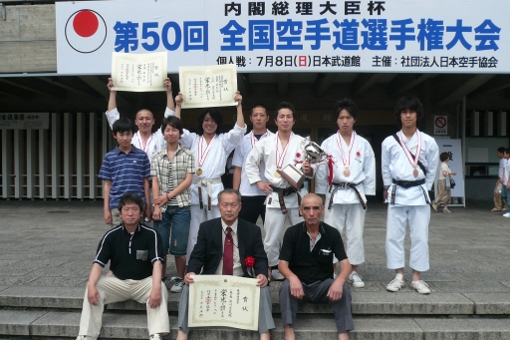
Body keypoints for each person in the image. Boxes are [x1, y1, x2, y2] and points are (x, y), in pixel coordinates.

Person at [176, 189, 275, 340]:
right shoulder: (206, 228)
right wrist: (192, 272)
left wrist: (262, 274)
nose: (229, 209)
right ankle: (182, 332)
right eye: (225, 205)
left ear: (240, 207)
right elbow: (197, 256)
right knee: (188, 285)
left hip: (241, 279)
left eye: (233, 205)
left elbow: (260, 258)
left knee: (264, 288)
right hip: (213, 279)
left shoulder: (252, 230)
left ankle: (265, 333)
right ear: (219, 207)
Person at [75, 193, 169, 340]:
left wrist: (156, 288)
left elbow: (157, 263)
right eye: (126, 209)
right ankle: (86, 334)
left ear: (141, 212)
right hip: (118, 283)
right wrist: (92, 284)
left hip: (143, 283)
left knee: (160, 287)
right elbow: (98, 264)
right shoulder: (111, 236)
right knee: (92, 287)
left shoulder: (152, 235)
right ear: (120, 213)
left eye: (134, 209)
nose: (130, 213)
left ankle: (156, 333)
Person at [172, 92, 246, 261]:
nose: (209, 123)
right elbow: (176, 128)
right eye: (206, 120)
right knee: (194, 230)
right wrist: (178, 106)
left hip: (215, 189)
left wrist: (239, 105)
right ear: (201, 122)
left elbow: (239, 131)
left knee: (218, 227)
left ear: (218, 123)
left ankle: (218, 263)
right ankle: (194, 265)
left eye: (213, 120)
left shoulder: (223, 141)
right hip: (194, 188)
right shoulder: (193, 139)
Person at [245, 102, 314, 281]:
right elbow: (250, 163)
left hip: (298, 195)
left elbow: (315, 168)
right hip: (275, 195)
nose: (285, 120)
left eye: (288, 117)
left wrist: (309, 170)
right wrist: (258, 182)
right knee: (272, 236)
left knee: (304, 232)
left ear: (294, 120)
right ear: (275, 120)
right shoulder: (266, 142)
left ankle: (303, 265)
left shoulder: (303, 142)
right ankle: (271, 267)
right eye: (281, 117)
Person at [381, 96, 439, 295]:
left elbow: (432, 168)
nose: (407, 115)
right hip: (397, 191)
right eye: (404, 112)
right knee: (394, 236)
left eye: (411, 112)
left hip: (419, 191)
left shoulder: (429, 141)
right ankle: (398, 275)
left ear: (417, 115)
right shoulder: (389, 142)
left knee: (420, 236)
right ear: (399, 115)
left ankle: (417, 277)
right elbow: (385, 169)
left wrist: (426, 187)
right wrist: (388, 187)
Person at [315, 99, 375, 288]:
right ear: (336, 121)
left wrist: (369, 192)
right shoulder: (328, 143)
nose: (345, 121)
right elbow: (322, 171)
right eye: (341, 117)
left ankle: (353, 271)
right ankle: (331, 270)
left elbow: (370, 168)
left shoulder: (363, 144)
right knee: (332, 234)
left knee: (355, 234)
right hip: (335, 193)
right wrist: (320, 195)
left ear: (354, 119)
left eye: (348, 117)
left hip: (356, 193)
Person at [278, 194, 354, 340]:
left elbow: (346, 265)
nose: (311, 213)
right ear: (300, 210)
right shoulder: (292, 233)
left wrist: (339, 281)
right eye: (307, 208)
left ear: (323, 209)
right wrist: (293, 277)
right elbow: (282, 265)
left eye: (315, 208)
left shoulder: (332, 233)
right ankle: (288, 329)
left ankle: (343, 332)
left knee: (343, 287)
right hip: (299, 287)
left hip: (323, 286)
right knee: (286, 286)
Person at [151, 116, 194, 292]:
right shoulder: (157, 156)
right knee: (160, 244)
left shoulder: (188, 154)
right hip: (161, 207)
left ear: (180, 132)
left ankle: (179, 277)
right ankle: (160, 278)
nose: (171, 133)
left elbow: (188, 180)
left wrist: (167, 196)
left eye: (174, 129)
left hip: (181, 206)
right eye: (167, 130)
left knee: (179, 245)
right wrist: (156, 206)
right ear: (163, 133)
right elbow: (154, 182)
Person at [105, 77, 175, 163]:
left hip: (155, 176)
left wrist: (169, 92)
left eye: (148, 119)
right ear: (136, 122)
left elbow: (170, 116)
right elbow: (113, 118)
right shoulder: (130, 137)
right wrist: (112, 92)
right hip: (134, 175)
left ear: (153, 121)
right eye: (141, 119)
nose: (144, 122)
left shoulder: (159, 137)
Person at [98, 118, 151, 226]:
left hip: (138, 204)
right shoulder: (109, 157)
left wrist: (148, 205)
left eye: (128, 134)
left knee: (138, 237)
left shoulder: (141, 155)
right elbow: (107, 184)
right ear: (114, 135)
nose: (125, 138)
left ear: (133, 135)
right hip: (117, 204)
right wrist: (106, 209)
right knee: (118, 238)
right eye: (121, 135)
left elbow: (146, 182)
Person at [232, 103, 274, 224]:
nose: (259, 118)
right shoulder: (242, 140)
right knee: (245, 231)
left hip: (269, 192)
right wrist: (236, 193)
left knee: (272, 233)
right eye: (255, 115)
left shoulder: (275, 139)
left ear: (267, 118)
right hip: (247, 192)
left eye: (262, 115)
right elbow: (238, 168)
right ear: (250, 118)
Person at [491, 147, 507, 212]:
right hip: (501, 178)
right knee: (502, 192)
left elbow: (505, 170)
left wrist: (503, 178)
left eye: (498, 152)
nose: (497, 154)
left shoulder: (504, 161)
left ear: (501, 153)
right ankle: (505, 206)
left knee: (497, 192)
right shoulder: (502, 160)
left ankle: (498, 206)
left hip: (502, 179)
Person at [502, 149, 510, 218]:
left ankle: (509, 212)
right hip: (505, 182)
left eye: (504, 153)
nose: (503, 154)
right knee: (504, 195)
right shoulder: (507, 161)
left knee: (509, 198)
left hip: (508, 183)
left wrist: (509, 183)